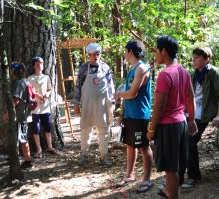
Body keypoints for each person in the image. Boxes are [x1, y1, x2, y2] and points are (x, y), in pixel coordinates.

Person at [147, 36, 197, 199]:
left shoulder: (165, 74)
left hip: (169, 126)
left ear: (164, 51)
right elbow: (191, 97)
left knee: (171, 167)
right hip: (181, 122)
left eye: (156, 50)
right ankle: (170, 192)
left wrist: (151, 129)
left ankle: (172, 195)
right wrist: (191, 119)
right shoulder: (184, 71)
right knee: (175, 165)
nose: (155, 54)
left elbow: (159, 106)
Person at [179, 47, 219, 189]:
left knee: (190, 142)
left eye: (197, 58)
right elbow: (189, 96)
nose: (193, 60)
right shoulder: (194, 74)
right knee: (183, 141)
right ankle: (179, 177)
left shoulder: (213, 72)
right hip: (193, 113)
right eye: (193, 57)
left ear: (206, 59)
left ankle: (194, 177)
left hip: (206, 113)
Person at [114, 40, 153, 193]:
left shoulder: (142, 68)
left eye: (125, 51)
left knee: (143, 145)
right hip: (130, 114)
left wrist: (118, 95)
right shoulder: (132, 69)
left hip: (139, 114)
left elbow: (132, 93)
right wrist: (122, 113)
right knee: (130, 144)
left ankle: (147, 180)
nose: (124, 54)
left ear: (130, 51)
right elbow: (127, 92)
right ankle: (129, 175)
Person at [73, 42, 115, 166]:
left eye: (97, 54)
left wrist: (112, 102)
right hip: (87, 105)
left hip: (103, 105)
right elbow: (78, 86)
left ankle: (104, 156)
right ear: (88, 55)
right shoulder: (83, 68)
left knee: (104, 130)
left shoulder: (105, 67)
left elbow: (110, 86)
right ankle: (84, 155)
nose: (95, 57)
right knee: (86, 130)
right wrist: (76, 103)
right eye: (93, 54)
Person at [5, 62, 33, 169]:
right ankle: (15, 157)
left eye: (12, 70)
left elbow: (15, 100)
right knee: (18, 138)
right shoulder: (25, 82)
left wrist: (7, 114)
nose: (11, 72)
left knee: (22, 138)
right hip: (23, 114)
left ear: (16, 71)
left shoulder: (19, 83)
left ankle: (28, 161)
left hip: (21, 116)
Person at [27, 56, 56, 158]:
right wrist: (37, 95)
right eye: (38, 64)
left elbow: (50, 89)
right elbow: (29, 92)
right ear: (34, 66)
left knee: (48, 127)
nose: (40, 66)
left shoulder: (46, 77)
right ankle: (39, 149)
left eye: (42, 64)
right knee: (36, 129)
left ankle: (50, 146)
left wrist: (47, 94)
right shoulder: (30, 79)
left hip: (46, 107)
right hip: (35, 108)